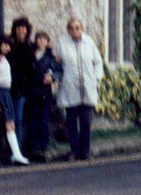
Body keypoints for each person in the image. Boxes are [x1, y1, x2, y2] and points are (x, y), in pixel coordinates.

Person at [55, 18, 104, 160]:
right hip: (70, 88)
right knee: (71, 122)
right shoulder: (61, 43)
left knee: (86, 121)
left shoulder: (89, 42)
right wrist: (59, 79)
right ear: (68, 30)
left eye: (77, 27)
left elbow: (98, 62)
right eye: (71, 28)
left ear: (81, 28)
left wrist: (96, 78)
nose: (75, 31)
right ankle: (74, 150)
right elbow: (56, 65)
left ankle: (85, 151)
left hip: (88, 87)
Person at [0, 37, 30, 166]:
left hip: (6, 93)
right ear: (0, 44)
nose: (8, 48)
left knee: (10, 123)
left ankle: (17, 154)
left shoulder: (3, 58)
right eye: (5, 45)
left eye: (9, 46)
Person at [26, 31, 63, 161]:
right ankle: (34, 147)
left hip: (44, 91)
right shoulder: (31, 54)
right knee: (33, 119)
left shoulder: (50, 56)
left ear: (47, 42)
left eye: (44, 39)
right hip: (32, 91)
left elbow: (58, 71)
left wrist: (51, 77)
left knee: (44, 119)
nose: (41, 41)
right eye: (39, 39)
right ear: (36, 41)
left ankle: (43, 147)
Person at [7, 17, 35, 157]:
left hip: (22, 89)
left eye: (23, 28)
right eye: (18, 28)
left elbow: (32, 69)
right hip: (8, 87)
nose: (20, 31)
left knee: (18, 119)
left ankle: (16, 150)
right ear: (14, 30)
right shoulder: (9, 44)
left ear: (27, 30)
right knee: (9, 119)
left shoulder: (30, 47)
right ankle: (11, 149)